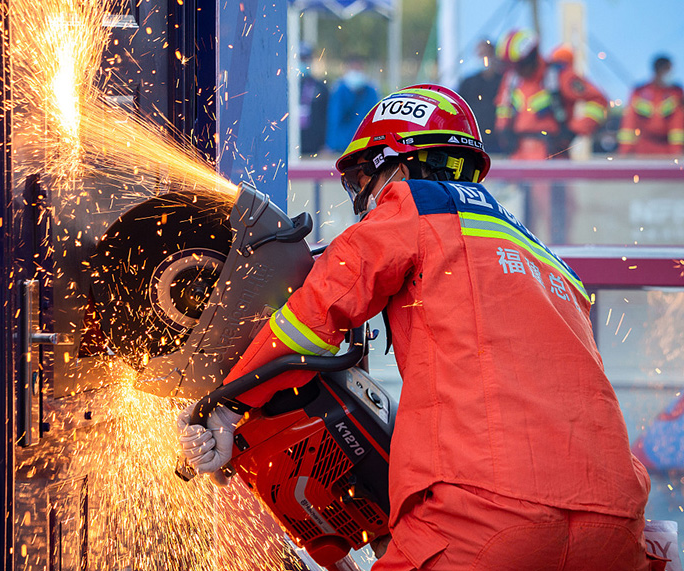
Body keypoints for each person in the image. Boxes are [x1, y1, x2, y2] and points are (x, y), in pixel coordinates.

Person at [178, 84, 662, 569]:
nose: (362, 198)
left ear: (400, 166)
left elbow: (319, 310)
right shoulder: (548, 260)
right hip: (617, 520)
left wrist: (228, 405)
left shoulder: (417, 205)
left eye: (363, 179)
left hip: (486, 512)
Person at [494, 29, 608, 159]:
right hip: (518, 156)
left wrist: (573, 131)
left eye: (519, 66)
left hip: (552, 156)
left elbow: (599, 100)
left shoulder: (558, 75)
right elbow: (503, 107)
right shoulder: (511, 80)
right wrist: (503, 129)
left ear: (531, 58)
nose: (516, 71)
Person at [618, 55, 684, 156]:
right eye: (668, 70)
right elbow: (629, 123)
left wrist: (677, 152)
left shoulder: (676, 93)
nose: (671, 74)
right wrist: (624, 151)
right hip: (642, 151)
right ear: (659, 71)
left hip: (669, 152)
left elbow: (678, 126)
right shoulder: (640, 92)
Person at [458, 39, 504, 154]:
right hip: (474, 140)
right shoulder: (468, 82)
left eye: (486, 53)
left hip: (499, 141)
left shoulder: (504, 81)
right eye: (480, 53)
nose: (483, 57)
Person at [325, 56, 379, 153]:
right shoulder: (339, 90)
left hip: (365, 144)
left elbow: (375, 117)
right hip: (341, 146)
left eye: (358, 69)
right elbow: (334, 119)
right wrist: (331, 145)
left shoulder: (371, 91)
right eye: (353, 69)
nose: (356, 72)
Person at [298, 44, 329, 157]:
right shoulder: (286, 86)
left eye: (305, 59)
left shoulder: (320, 87)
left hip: (315, 147)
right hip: (292, 145)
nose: (303, 62)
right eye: (300, 59)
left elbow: (327, 115)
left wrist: (326, 144)